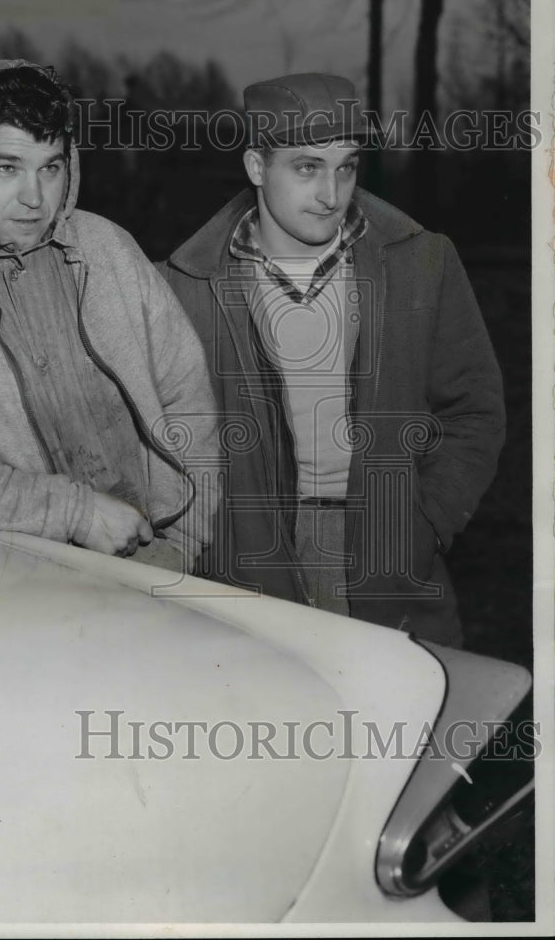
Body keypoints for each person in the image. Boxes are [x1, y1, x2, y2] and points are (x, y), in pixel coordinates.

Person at [159, 73, 505, 645]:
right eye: (306, 167)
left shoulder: (422, 263)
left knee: (402, 728)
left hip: (387, 556)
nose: (331, 192)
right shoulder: (183, 287)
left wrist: (425, 522)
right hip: (248, 570)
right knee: (275, 729)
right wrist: (213, 543)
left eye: (346, 166)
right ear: (254, 167)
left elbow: (474, 410)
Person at [0, 60, 218, 569]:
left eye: (50, 167)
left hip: (158, 561)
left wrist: (185, 540)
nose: (34, 197)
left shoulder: (110, 249)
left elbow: (187, 392)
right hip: (10, 581)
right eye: (6, 168)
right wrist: (73, 513)